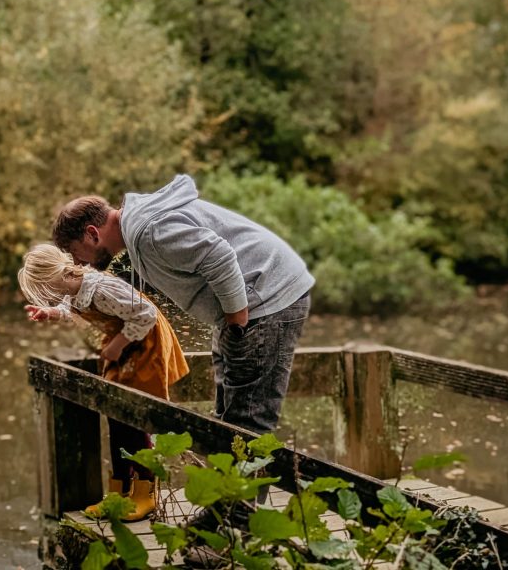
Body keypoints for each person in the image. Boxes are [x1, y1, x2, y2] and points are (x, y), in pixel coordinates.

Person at [52, 174, 314, 435]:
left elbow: (219, 257)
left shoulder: (150, 232)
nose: (79, 264)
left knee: (248, 425)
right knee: (229, 419)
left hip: (267, 297)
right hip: (254, 300)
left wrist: (236, 321)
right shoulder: (138, 229)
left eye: (75, 254)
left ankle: (250, 475)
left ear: (91, 234)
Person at [18, 243, 189, 521]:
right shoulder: (74, 287)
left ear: (56, 274)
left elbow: (146, 313)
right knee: (115, 415)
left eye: (46, 288)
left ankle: (145, 493)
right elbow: (70, 303)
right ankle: (119, 491)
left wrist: (118, 345)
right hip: (123, 346)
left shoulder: (100, 288)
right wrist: (52, 313)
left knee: (135, 418)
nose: (51, 295)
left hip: (143, 346)